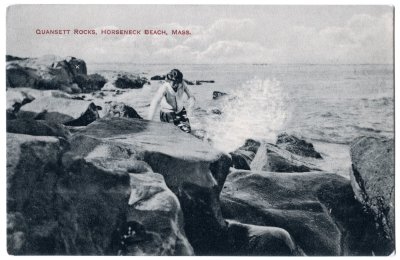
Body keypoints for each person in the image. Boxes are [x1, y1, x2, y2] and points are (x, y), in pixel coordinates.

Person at [147, 69, 195, 133]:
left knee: (187, 131)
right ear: (169, 80)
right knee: (172, 132)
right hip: (167, 113)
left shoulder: (182, 83)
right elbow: (155, 102)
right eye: (174, 82)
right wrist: (149, 121)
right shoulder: (164, 87)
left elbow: (191, 97)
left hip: (180, 111)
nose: (176, 84)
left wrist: (190, 111)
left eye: (178, 82)